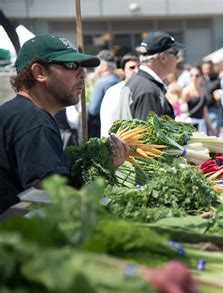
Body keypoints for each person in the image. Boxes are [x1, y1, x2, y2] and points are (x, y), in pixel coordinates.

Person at [0, 34, 129, 213]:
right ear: (39, 72)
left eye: (81, 67)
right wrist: (102, 177)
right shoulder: (35, 123)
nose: (82, 74)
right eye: (70, 65)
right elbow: (51, 202)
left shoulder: (16, 113)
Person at [118, 31, 184, 120]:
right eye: (175, 53)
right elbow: (148, 133)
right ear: (163, 57)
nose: (177, 58)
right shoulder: (147, 89)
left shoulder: (140, 82)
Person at [99, 52, 140, 137]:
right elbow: (107, 123)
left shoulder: (144, 89)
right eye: (132, 67)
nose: (136, 70)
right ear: (123, 71)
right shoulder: (114, 91)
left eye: (139, 67)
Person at [88, 49, 120, 138]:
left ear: (104, 67)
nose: (95, 68)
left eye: (97, 65)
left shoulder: (102, 82)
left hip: (101, 128)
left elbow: (93, 110)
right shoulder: (118, 80)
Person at [180, 66, 216, 134]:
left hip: (201, 124)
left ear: (201, 77)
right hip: (190, 123)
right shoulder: (186, 91)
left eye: (197, 75)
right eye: (191, 75)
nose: (194, 78)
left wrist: (211, 127)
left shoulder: (203, 91)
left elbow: (204, 111)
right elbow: (181, 108)